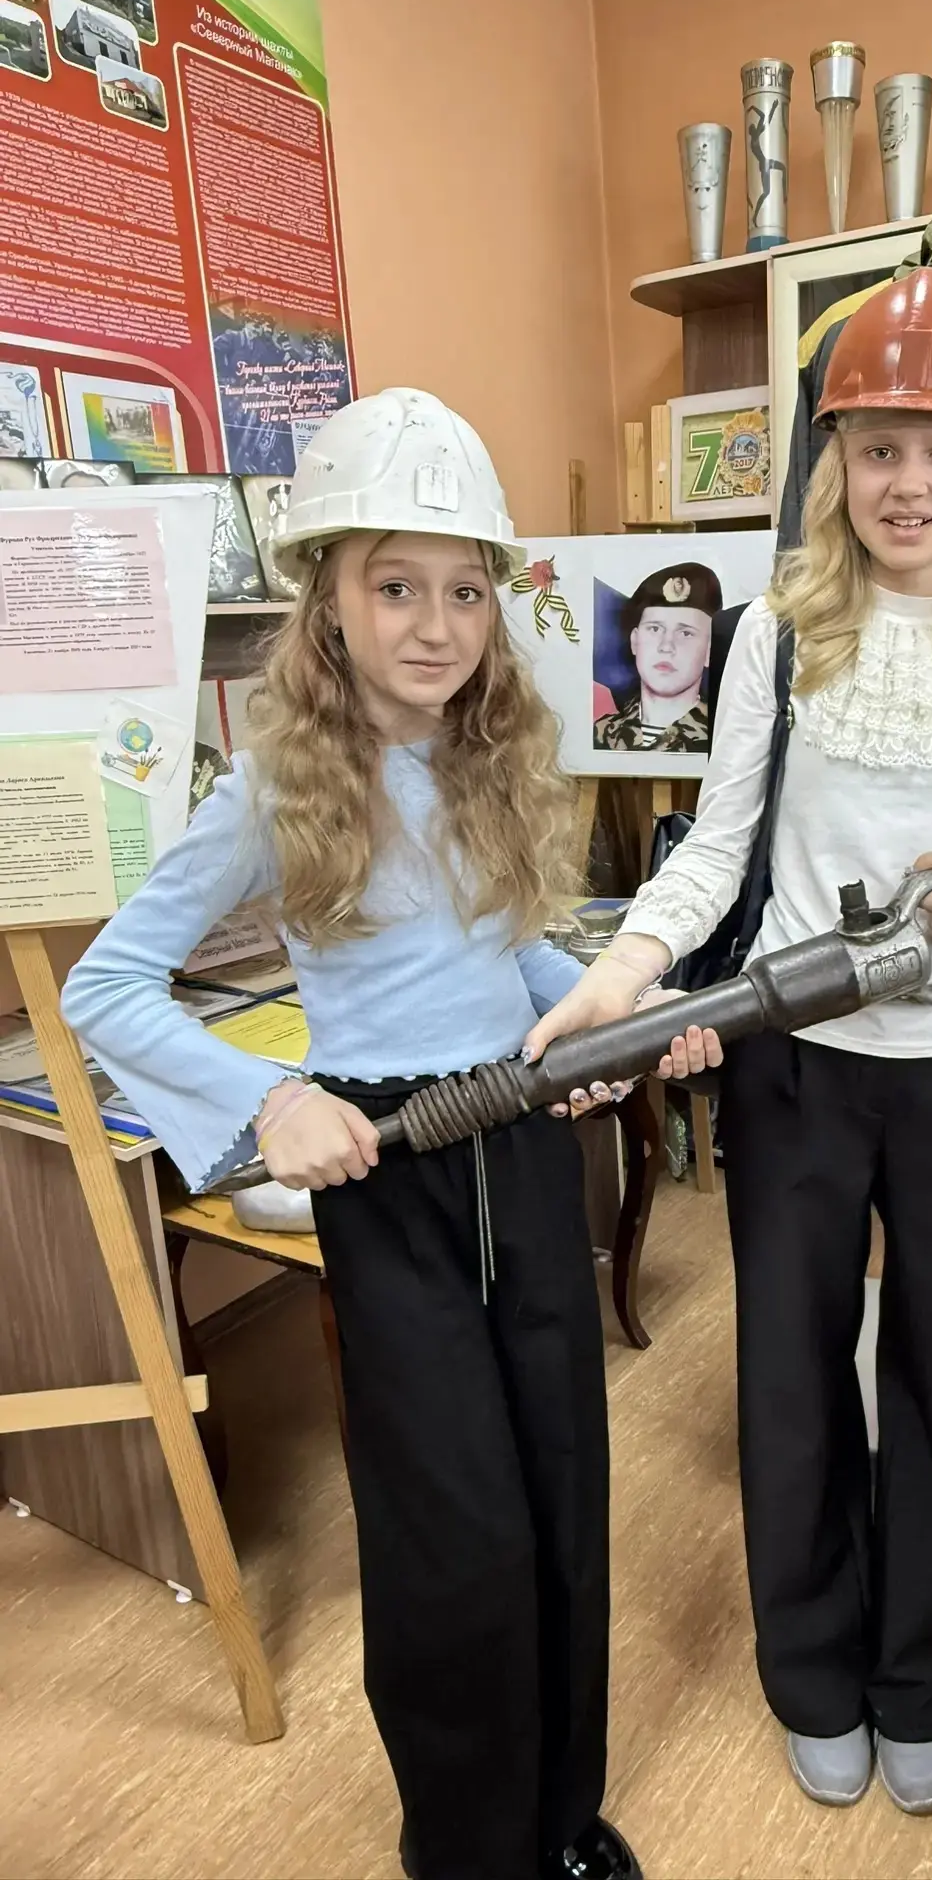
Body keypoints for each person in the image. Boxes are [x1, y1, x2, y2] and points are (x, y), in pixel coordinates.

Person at [62, 388, 721, 1880]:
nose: (435, 625)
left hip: (522, 1154)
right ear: (331, 601)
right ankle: (470, 1849)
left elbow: (514, 958)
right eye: (396, 586)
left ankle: (559, 1820)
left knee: (560, 1489)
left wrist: (615, 1022)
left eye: (465, 590)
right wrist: (269, 1100)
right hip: (393, 1168)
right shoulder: (277, 789)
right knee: (452, 1536)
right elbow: (107, 986)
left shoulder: (491, 763)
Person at [529, 270, 932, 1814]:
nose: (908, 483)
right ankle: (812, 1671)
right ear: (836, 462)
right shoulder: (778, 638)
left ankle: (926, 1679)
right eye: (878, 449)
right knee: (789, 1375)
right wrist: (630, 969)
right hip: (797, 1063)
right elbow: (720, 847)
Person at [593, 562, 720, 753]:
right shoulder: (601, 734)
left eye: (686, 633)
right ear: (634, 641)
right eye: (655, 629)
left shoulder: (722, 739)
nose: (666, 646)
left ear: (710, 650)